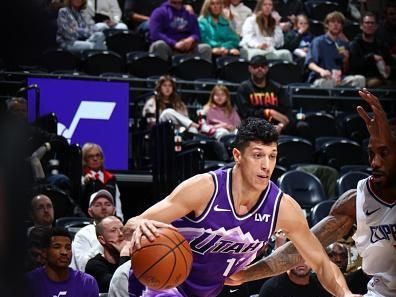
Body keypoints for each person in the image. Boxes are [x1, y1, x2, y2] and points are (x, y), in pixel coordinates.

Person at [127, 116, 359, 297]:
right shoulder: (204, 189)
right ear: (237, 155)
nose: (266, 165)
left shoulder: (283, 208)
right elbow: (133, 223)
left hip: (212, 290)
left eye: (272, 156)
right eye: (258, 155)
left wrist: (345, 293)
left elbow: (319, 261)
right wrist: (139, 226)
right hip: (160, 280)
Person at [225, 89, 396, 297]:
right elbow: (302, 250)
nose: (375, 162)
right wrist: (245, 275)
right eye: (371, 153)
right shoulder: (356, 200)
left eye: (384, 153)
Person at [25, 227, 99, 297]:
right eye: (57, 247)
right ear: (44, 252)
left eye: (68, 248)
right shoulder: (29, 282)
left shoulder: (87, 282)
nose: (64, 252)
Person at [259, 231, 331, 297]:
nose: (301, 261)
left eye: (306, 256)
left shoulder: (322, 287)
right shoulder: (271, 289)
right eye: (296, 256)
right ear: (287, 258)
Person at [305, 11, 366, 88]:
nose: (336, 24)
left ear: (342, 26)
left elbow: (345, 70)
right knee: (328, 83)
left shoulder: (343, 44)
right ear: (327, 25)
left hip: (339, 79)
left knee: (360, 79)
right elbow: (310, 63)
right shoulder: (318, 41)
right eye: (333, 22)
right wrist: (322, 71)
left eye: (339, 22)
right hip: (321, 78)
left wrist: (346, 60)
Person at [235, 55, 292, 134]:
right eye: (256, 66)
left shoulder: (277, 88)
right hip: (253, 127)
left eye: (262, 66)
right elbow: (245, 113)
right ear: (250, 69)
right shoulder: (244, 88)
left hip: (277, 126)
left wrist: (281, 125)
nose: (259, 69)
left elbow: (287, 111)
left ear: (267, 68)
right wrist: (267, 112)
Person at [142, 75, 216, 136]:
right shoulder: (152, 101)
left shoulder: (178, 103)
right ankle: (199, 126)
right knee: (168, 112)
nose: (167, 88)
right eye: (164, 85)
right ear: (160, 87)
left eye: (170, 86)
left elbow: (185, 118)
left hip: (177, 129)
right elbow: (150, 121)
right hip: (160, 129)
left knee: (192, 129)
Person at [71, 189, 116, 272]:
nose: (103, 207)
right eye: (98, 205)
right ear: (90, 212)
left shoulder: (122, 232)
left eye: (108, 204)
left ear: (114, 210)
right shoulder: (83, 234)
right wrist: (104, 242)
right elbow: (83, 266)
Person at [85, 216, 130, 293]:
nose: (121, 234)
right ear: (102, 240)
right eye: (113, 230)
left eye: (122, 229)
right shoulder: (94, 265)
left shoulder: (134, 258)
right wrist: (124, 255)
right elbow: (116, 286)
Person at [349, 11, 393, 87]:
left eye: (372, 23)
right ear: (361, 26)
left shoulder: (381, 44)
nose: (370, 25)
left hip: (382, 77)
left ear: (376, 26)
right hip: (363, 78)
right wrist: (371, 57)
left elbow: (389, 61)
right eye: (367, 23)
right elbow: (355, 66)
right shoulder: (355, 44)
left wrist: (389, 67)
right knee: (375, 83)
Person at [81, 142, 123, 220]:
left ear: (102, 158)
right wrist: (84, 183)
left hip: (110, 220)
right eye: (90, 156)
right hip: (88, 220)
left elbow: (117, 201)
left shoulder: (111, 178)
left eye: (97, 155)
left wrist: (120, 219)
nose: (95, 159)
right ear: (85, 160)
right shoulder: (82, 178)